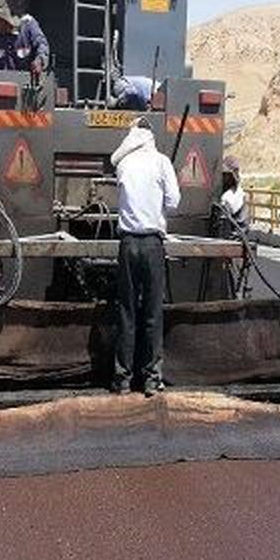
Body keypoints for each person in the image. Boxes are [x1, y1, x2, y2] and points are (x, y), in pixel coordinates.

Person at [110, 118, 181, 396]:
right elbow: (174, 204)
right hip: (152, 244)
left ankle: (122, 379)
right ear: (151, 137)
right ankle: (151, 379)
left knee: (126, 312)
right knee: (152, 312)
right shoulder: (161, 162)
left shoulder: (124, 164)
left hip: (127, 245)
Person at [0, 0, 50, 74]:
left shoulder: (28, 24)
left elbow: (42, 44)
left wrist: (40, 60)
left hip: (28, 80)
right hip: (3, 80)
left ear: (4, 18)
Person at [218, 156, 249, 235]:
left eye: (227, 175)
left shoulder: (236, 196)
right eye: (224, 175)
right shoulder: (222, 193)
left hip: (234, 234)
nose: (225, 178)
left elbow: (242, 223)